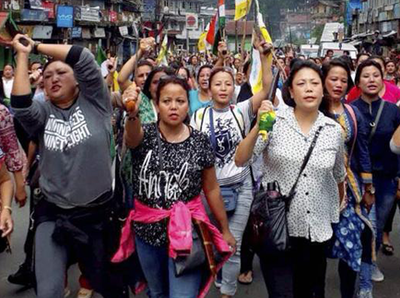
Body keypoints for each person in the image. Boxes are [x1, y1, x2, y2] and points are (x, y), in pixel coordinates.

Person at [10, 34, 123, 298]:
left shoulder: (96, 102)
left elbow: (82, 57)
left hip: (97, 215)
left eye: (61, 72)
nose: (54, 78)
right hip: (54, 213)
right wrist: (23, 56)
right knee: (48, 291)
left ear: (79, 81)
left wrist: (34, 45)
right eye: (48, 76)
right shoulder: (43, 113)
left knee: (111, 289)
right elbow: (21, 107)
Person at [113, 75, 236, 297]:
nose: (173, 107)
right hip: (147, 234)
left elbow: (211, 189)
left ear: (188, 105)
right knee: (157, 293)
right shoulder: (144, 134)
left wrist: (225, 229)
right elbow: (131, 139)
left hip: (187, 234)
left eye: (180, 101)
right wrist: (132, 113)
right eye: (166, 101)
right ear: (157, 105)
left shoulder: (199, 141)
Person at [235, 60, 346, 298]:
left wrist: (328, 212)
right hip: (277, 231)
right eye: (302, 83)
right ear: (291, 92)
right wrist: (259, 124)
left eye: (314, 83)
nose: (309, 88)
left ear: (322, 90)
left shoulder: (333, 130)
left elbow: (338, 178)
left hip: (316, 234)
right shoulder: (274, 121)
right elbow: (241, 159)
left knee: (312, 292)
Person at [191, 39, 273, 298]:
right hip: (208, 192)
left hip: (241, 186)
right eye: (218, 84)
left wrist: (265, 56)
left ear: (234, 87)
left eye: (228, 83)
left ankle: (228, 292)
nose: (223, 88)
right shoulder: (199, 116)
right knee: (213, 245)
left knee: (232, 245)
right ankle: (218, 275)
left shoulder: (242, 111)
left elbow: (267, 88)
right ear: (209, 87)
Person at [321, 58, 375, 298]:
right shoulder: (313, 111)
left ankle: (348, 293)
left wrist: (368, 187)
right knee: (316, 251)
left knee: (351, 246)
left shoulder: (353, 113)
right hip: (317, 192)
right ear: (323, 80)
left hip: (348, 190)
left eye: (344, 80)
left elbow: (362, 149)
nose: (339, 84)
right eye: (333, 79)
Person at [351, 59, 400, 293]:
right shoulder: (349, 109)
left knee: (378, 226)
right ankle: (361, 271)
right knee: (361, 226)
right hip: (357, 180)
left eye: (376, 75)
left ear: (382, 80)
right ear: (358, 81)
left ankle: (370, 263)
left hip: (387, 179)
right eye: (366, 76)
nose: (371, 80)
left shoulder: (393, 111)